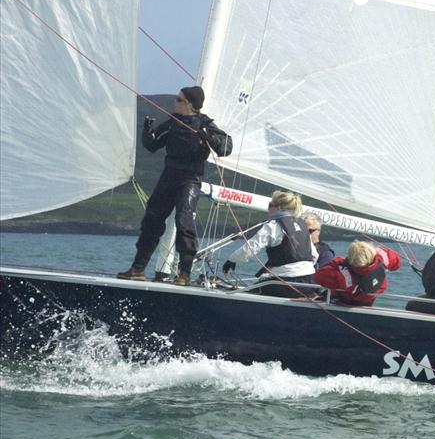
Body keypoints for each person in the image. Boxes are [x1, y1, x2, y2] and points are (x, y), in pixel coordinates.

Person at [118, 86, 232, 286]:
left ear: (188, 104)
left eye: (178, 100)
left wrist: (209, 137)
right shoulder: (173, 122)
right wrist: (147, 131)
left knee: (184, 220)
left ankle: (184, 273)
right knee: (152, 219)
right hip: (169, 175)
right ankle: (137, 268)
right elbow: (153, 145)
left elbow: (226, 148)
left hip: (190, 178)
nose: (175, 103)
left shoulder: (205, 123)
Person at [222, 190, 318, 298]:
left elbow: (250, 248)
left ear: (279, 208)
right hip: (309, 282)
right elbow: (314, 255)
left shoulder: (273, 226)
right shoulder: (302, 225)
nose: (268, 209)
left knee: (251, 292)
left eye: (270, 205)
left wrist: (232, 260)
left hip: (287, 283)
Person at [313, 241, 401, 306]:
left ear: (351, 260)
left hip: (345, 302)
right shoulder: (382, 259)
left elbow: (318, 277)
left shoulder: (343, 275)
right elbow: (396, 262)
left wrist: (338, 262)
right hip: (368, 301)